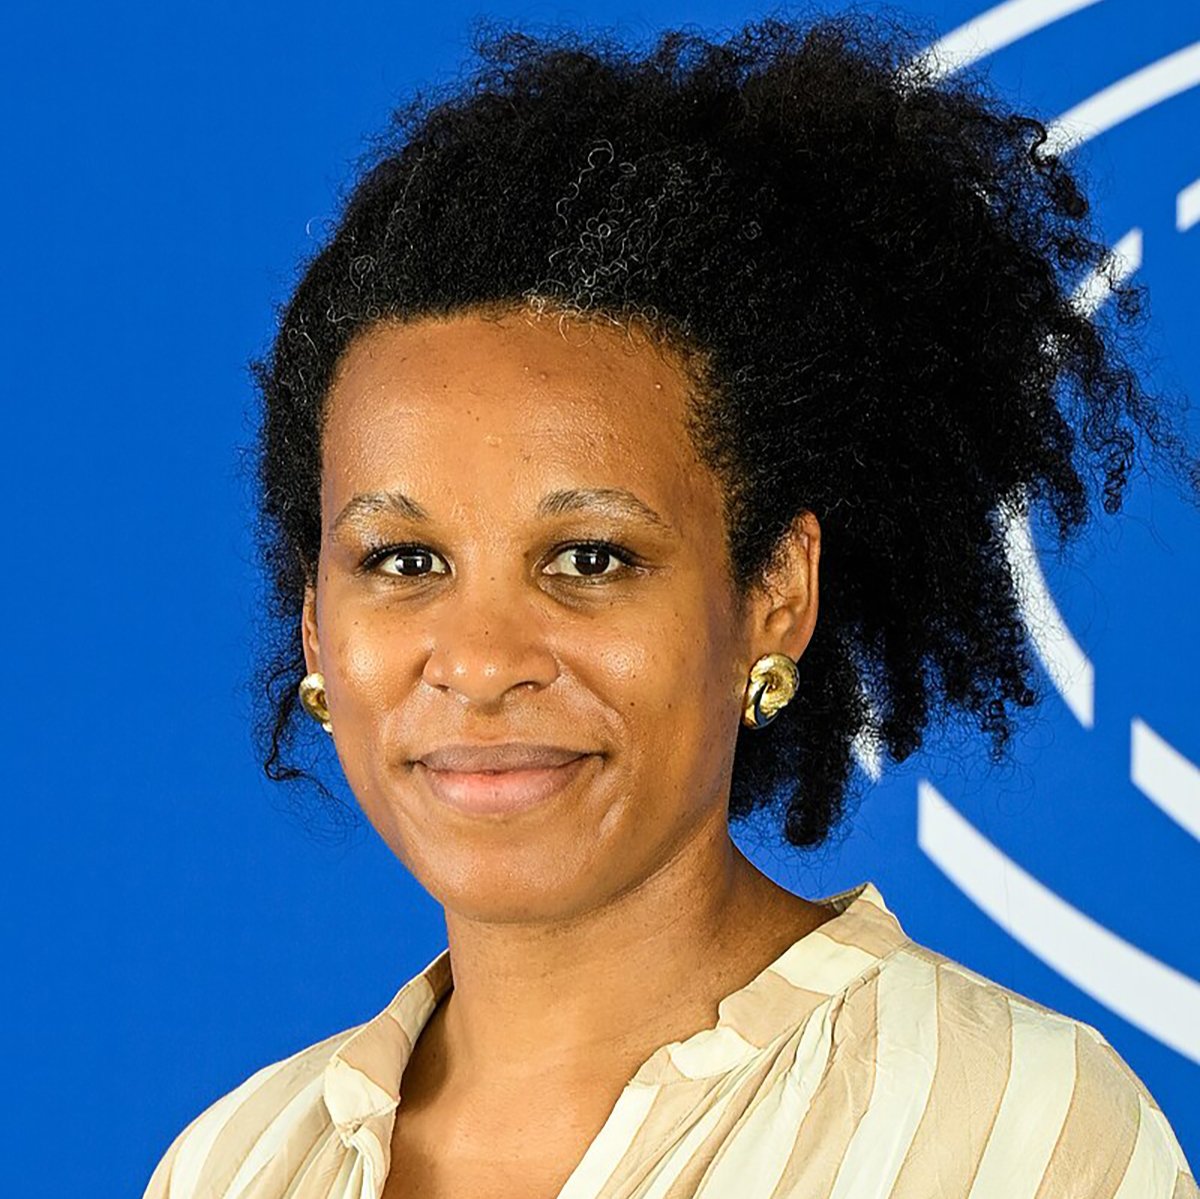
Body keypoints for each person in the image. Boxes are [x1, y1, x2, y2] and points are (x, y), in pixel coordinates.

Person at [143, 12, 1199, 1199]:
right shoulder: (235, 1161)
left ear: (775, 595)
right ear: (314, 626)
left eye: (590, 557)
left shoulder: (1015, 1134)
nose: (480, 659)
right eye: (404, 559)